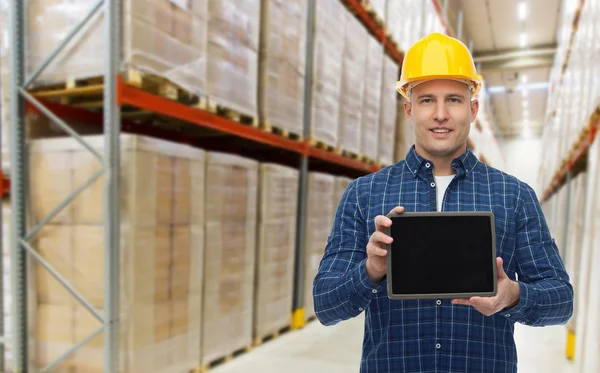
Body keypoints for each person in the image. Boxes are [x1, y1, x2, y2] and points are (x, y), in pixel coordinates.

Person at [312, 32, 573, 373]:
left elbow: (561, 300)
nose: (440, 114)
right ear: (408, 109)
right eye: (426, 100)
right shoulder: (364, 195)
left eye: (453, 99)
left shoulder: (514, 196)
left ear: (473, 108)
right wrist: (371, 271)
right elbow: (326, 305)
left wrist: (513, 295)